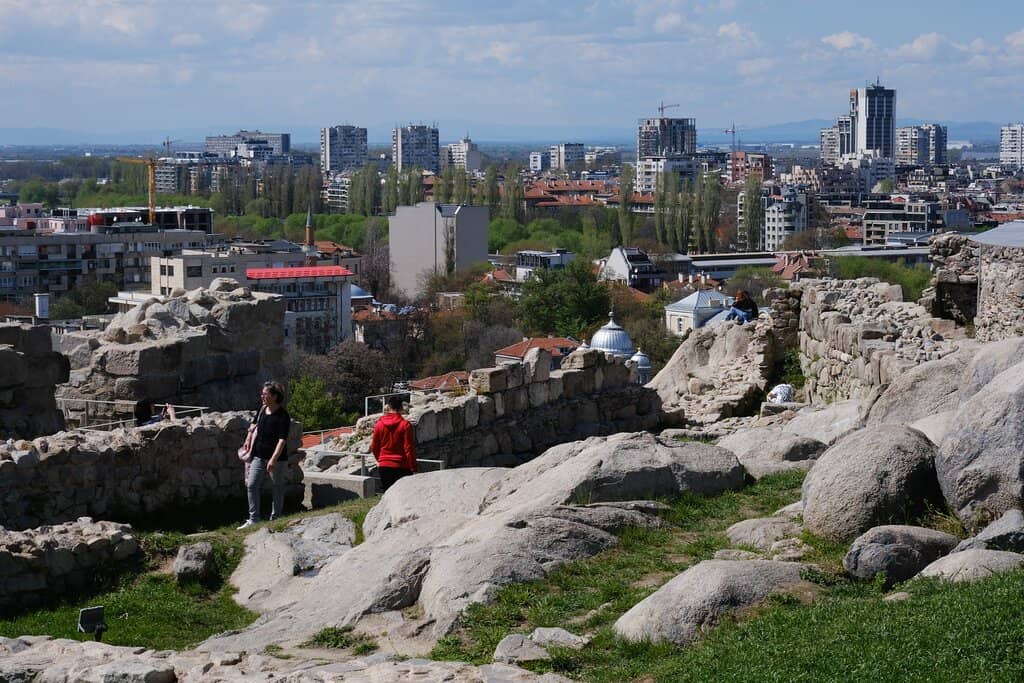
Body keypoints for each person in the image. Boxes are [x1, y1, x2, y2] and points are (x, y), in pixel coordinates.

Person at [238, 381, 291, 529]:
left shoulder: (283, 416)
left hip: (277, 459)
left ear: (274, 396)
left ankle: (276, 517)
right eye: (262, 394)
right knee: (252, 485)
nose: (262, 396)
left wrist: (273, 459)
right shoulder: (262, 410)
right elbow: (253, 426)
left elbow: (282, 440)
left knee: (277, 487)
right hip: (258, 455)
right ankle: (254, 518)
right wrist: (248, 438)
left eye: (265, 394)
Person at [370, 396, 417, 492]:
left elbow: (374, 446)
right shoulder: (405, 424)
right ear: (401, 408)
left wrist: (381, 459)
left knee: (388, 496)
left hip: (384, 465)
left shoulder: (379, 424)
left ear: (388, 407)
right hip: (402, 466)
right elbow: (408, 448)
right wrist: (413, 467)